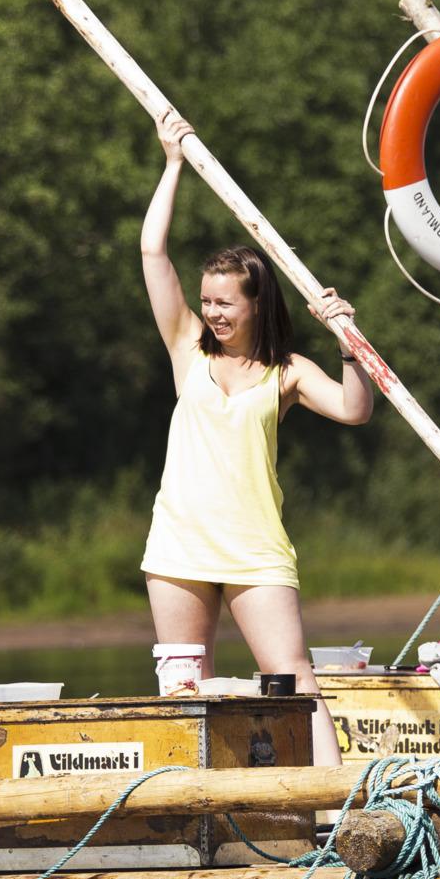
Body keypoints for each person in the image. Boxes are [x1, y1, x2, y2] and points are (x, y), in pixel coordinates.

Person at [139, 112, 372, 765]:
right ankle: (193, 810)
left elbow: (355, 410)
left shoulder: (288, 371)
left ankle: (332, 803)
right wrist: (173, 164)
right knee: (183, 685)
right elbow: (152, 253)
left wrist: (348, 340)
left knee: (293, 674)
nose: (210, 311)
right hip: (180, 539)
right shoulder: (186, 346)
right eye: (207, 299)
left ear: (253, 306)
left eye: (223, 303)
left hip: (255, 545)